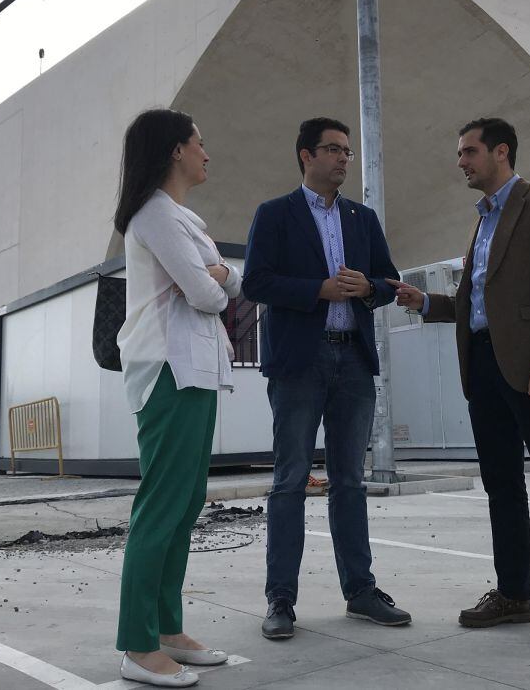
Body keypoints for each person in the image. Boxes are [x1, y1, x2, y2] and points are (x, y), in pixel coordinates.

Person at [387, 117, 530, 647]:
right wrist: (427, 303)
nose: (462, 162)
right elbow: (477, 303)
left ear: (501, 151)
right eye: (461, 154)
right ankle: (513, 595)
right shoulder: (482, 220)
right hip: (483, 367)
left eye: (469, 152)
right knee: (501, 485)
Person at [243, 116, 411, 639]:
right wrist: (319, 290)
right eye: (333, 150)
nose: (342, 159)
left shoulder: (362, 219)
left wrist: (368, 288)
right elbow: (256, 281)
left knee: (350, 483)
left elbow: (390, 281)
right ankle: (281, 601)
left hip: (353, 362)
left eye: (347, 152)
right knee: (290, 480)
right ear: (305, 156)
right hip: (299, 363)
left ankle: (360, 591)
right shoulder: (274, 214)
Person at [113, 109, 239, 686]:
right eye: (200, 142)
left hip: (195, 370)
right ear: (174, 152)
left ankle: (167, 629)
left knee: (185, 503)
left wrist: (214, 274)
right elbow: (208, 294)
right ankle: (138, 645)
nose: (207, 154)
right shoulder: (156, 216)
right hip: (167, 369)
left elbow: (228, 281)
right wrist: (214, 275)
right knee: (162, 506)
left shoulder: (185, 218)